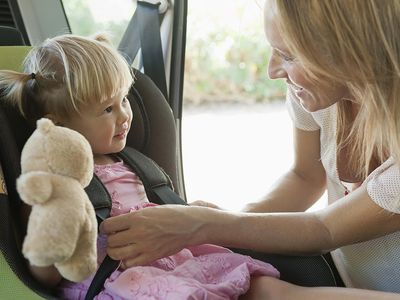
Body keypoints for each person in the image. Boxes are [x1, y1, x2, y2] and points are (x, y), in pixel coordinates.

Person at [98, 0, 400, 299]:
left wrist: (206, 226)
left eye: (288, 55)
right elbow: (305, 176)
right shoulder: (319, 93)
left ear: (352, 52)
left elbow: (325, 230)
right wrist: (231, 228)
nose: (272, 70)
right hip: (347, 280)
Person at [0, 33, 281, 299]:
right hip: (117, 281)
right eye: (107, 109)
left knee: (255, 280)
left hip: (172, 259)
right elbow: (44, 277)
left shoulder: (136, 164)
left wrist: (189, 213)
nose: (124, 115)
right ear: (59, 123)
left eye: (123, 99)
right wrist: (58, 231)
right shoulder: (53, 185)